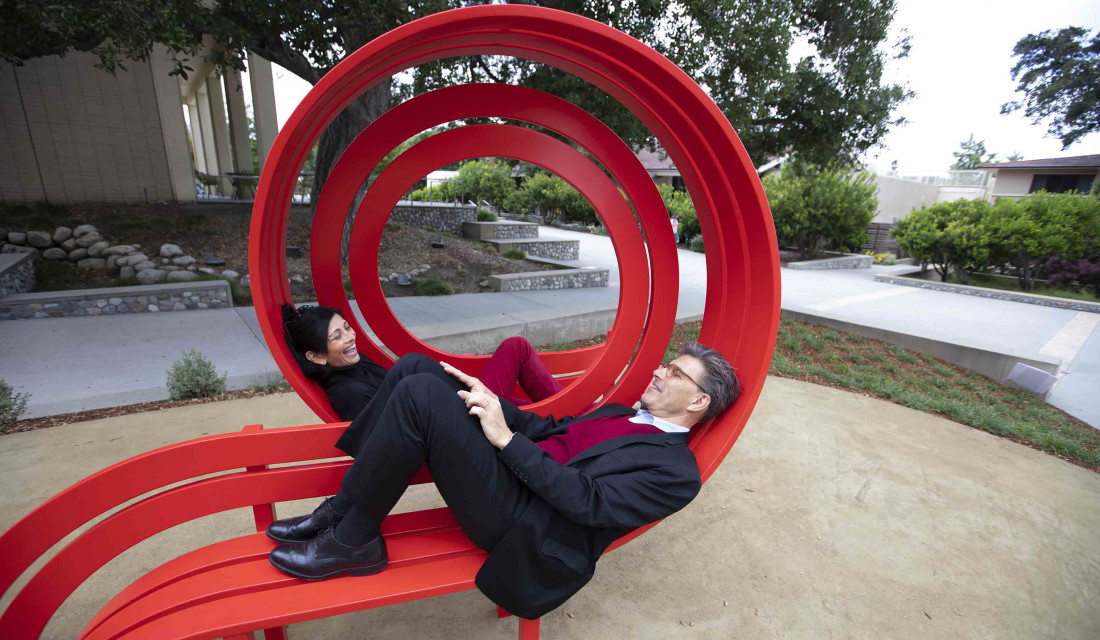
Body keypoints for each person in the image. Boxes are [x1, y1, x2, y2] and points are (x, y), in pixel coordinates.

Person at [267, 341, 740, 619]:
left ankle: (353, 540)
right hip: (512, 476)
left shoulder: (677, 475)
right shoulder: (624, 413)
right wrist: (493, 402)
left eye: (675, 373)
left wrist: (504, 440)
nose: (659, 371)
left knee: (420, 395)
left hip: (526, 523)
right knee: (416, 366)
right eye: (666, 364)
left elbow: (587, 502)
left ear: (698, 403)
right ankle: (345, 507)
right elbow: (550, 431)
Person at [282, 304, 565, 422]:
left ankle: (573, 411)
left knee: (516, 352)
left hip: (460, 402)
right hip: (466, 419)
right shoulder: (348, 393)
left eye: (347, 327)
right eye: (337, 335)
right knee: (518, 352)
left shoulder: (352, 365)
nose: (351, 336)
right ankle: (574, 412)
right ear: (317, 356)